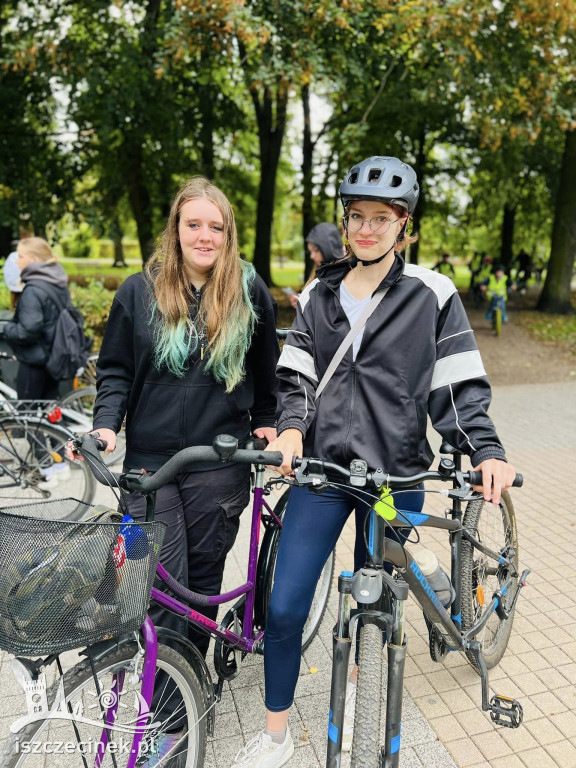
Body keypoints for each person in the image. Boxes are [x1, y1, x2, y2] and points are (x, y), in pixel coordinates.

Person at [231, 155, 517, 767]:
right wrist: (288, 432)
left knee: (377, 594)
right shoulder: (319, 292)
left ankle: (366, 685)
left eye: (380, 218)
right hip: (326, 476)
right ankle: (276, 735)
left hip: (394, 478)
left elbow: (458, 385)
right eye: (356, 217)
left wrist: (485, 451)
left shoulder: (433, 294)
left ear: (403, 225)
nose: (365, 229)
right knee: (284, 605)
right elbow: (296, 379)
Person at [68, 176, 279, 765]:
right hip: (148, 466)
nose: (205, 235)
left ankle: (186, 692)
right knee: (158, 583)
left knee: (200, 582)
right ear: (176, 229)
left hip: (221, 459)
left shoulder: (248, 292)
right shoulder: (138, 292)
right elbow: (114, 370)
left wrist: (268, 422)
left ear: (227, 233)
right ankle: (170, 707)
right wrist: (106, 424)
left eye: (216, 226)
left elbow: (267, 371)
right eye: (194, 224)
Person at [0, 237, 72, 487]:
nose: (17, 261)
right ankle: (60, 462)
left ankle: (46, 468)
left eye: (20, 256)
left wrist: (5, 331)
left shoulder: (33, 288)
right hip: (53, 359)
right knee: (52, 412)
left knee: (27, 416)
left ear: (35, 260)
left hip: (35, 362)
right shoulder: (56, 281)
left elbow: (27, 329)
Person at [285, 222, 344, 309]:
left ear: (328, 248)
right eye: (310, 251)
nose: (312, 256)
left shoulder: (342, 276)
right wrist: (302, 302)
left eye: (316, 250)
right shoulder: (318, 271)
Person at [3, 240, 24, 310]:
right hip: (22, 285)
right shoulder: (21, 256)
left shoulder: (11, 256)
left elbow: (7, 272)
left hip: (14, 286)